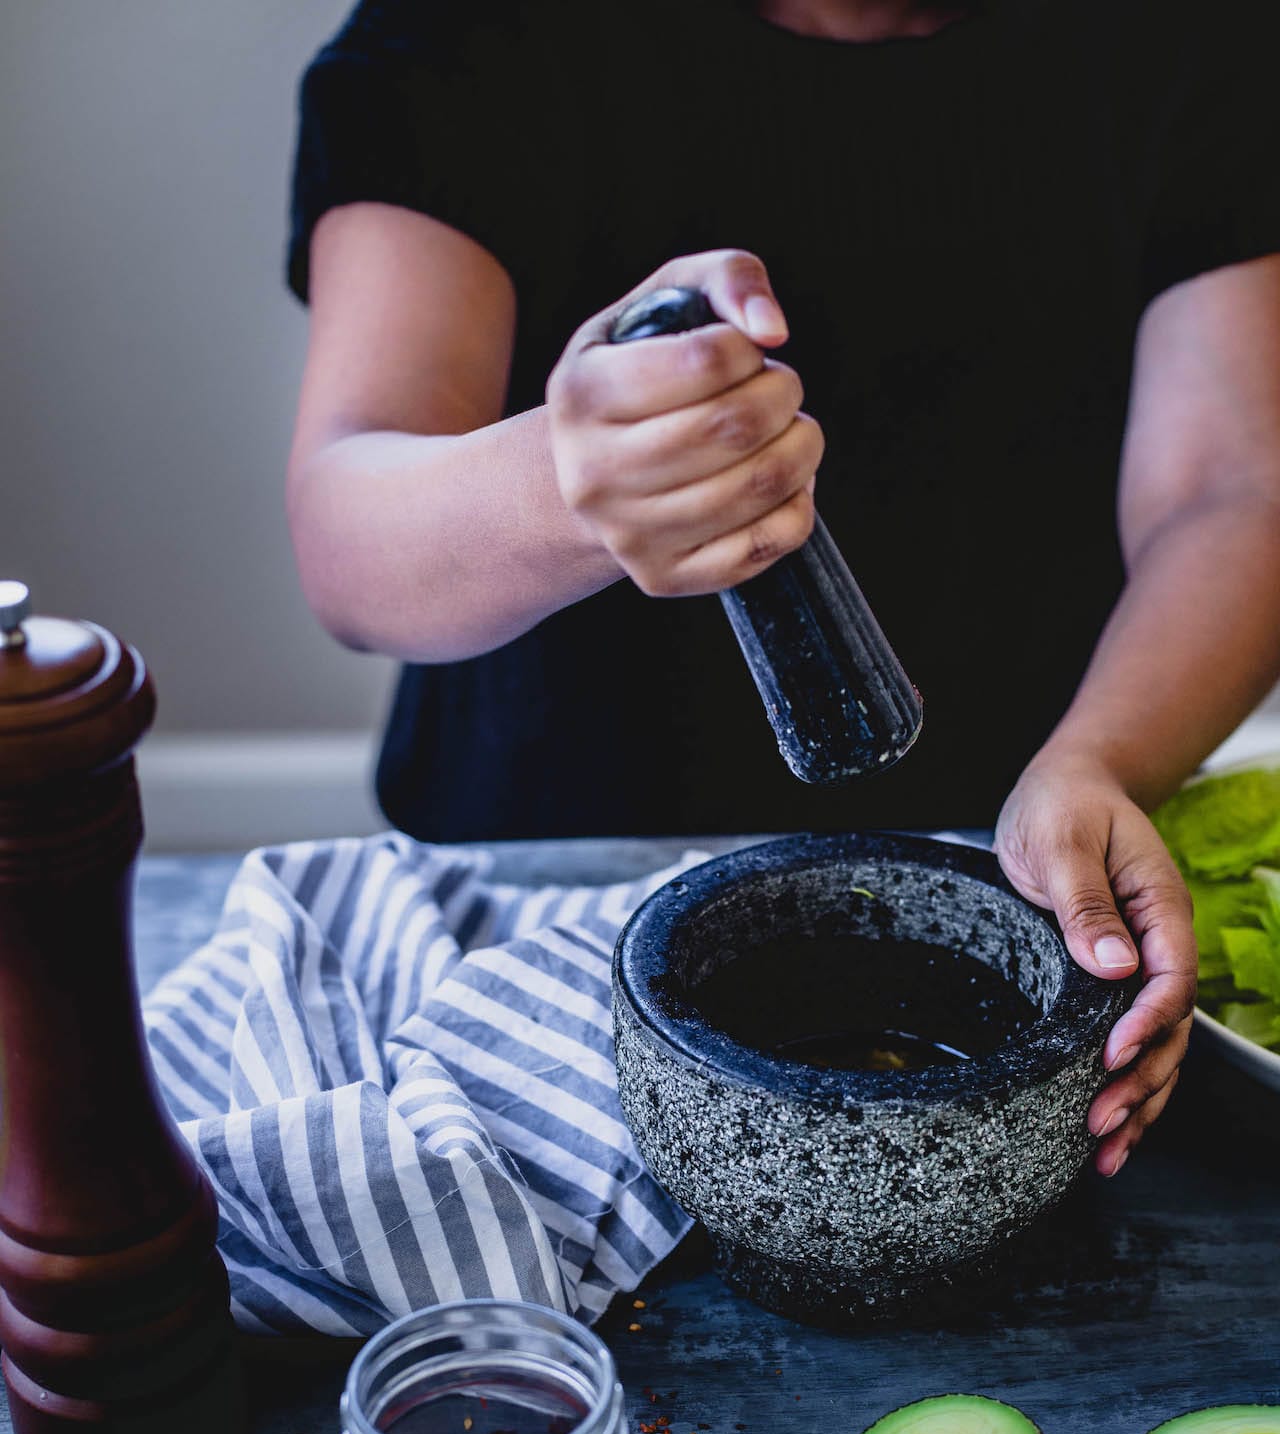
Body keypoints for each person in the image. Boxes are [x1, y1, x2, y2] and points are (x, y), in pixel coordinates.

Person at [284, 0, 1280, 1177]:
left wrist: (1099, 763)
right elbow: (346, 542)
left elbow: (1231, 490)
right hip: (548, 860)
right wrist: (564, 485)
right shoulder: (456, 36)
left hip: (1003, 847)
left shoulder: (1198, 37)